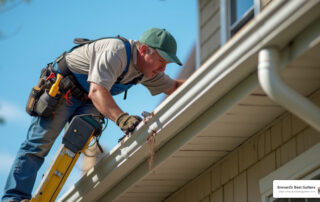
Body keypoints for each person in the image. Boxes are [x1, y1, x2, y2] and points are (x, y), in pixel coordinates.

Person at [1, 27, 184, 202]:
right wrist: (122, 118)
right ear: (143, 50)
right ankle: (14, 197)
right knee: (39, 144)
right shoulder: (117, 51)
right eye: (161, 62)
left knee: (79, 138)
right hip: (65, 90)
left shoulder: (145, 70)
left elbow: (175, 87)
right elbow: (97, 91)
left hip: (90, 100)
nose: (163, 69)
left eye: (166, 64)